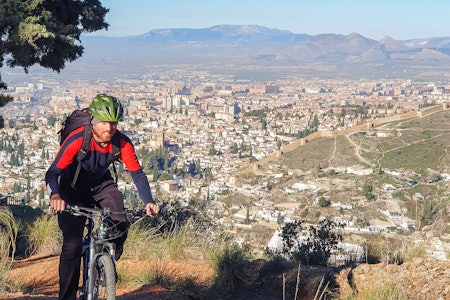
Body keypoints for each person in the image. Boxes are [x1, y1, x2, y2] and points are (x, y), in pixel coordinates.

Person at [45, 93, 160, 300]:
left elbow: (137, 174)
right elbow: (52, 173)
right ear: (94, 122)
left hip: (102, 185)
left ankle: (106, 258)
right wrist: (55, 195)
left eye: (114, 123)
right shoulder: (78, 139)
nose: (109, 128)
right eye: (105, 123)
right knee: (72, 245)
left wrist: (148, 202)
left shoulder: (122, 143)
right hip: (71, 189)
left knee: (120, 222)